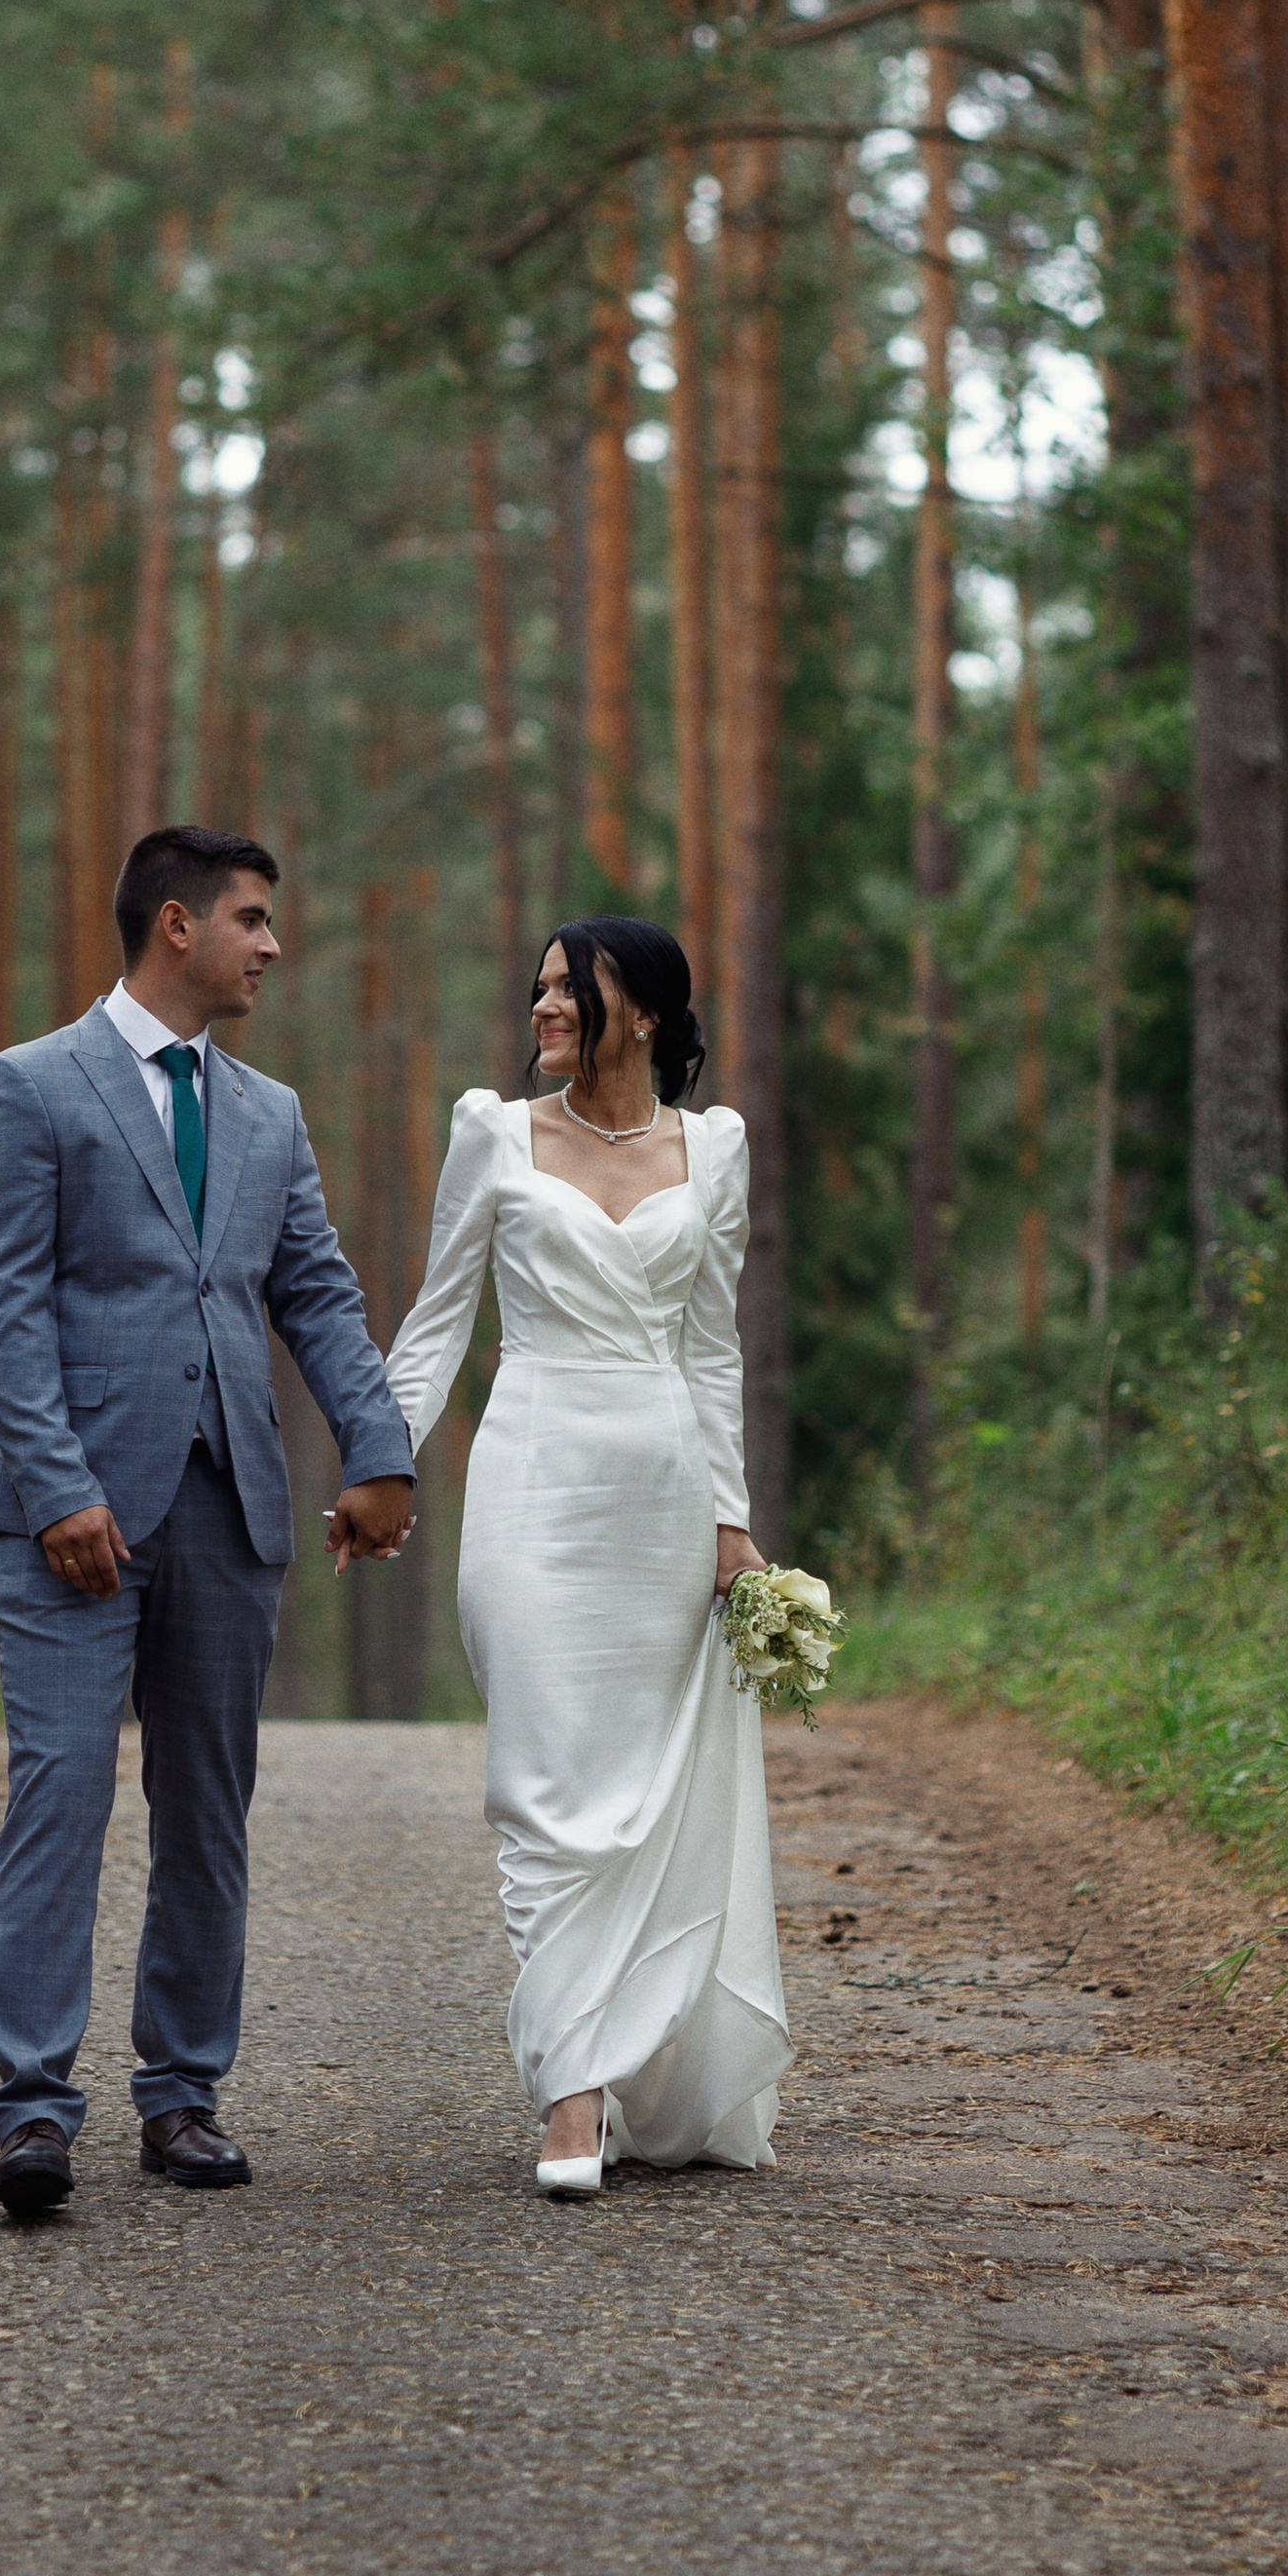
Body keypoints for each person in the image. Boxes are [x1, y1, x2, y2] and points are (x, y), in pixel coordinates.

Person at [0, 823, 416, 2212]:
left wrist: (379, 1446)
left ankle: (182, 2098)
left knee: (208, 1808)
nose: (272, 947)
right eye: (254, 920)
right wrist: (60, 1491)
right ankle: (33, 2112)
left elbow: (317, 1295)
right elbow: (8, 1306)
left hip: (231, 1508)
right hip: (74, 1520)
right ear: (176, 924)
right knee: (64, 1792)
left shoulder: (268, 1113)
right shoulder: (27, 1088)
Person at [382, 917, 791, 2195]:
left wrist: (730, 1519)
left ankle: (629, 2066)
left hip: (661, 1495)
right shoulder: (494, 1134)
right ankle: (571, 2093)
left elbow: (714, 1345)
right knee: (542, 1787)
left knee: (643, 1798)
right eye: (542, 987)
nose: (545, 1005)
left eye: (573, 989)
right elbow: (440, 1316)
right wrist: (379, 1461)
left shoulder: (711, 1151)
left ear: (648, 1013)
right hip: (533, 1486)